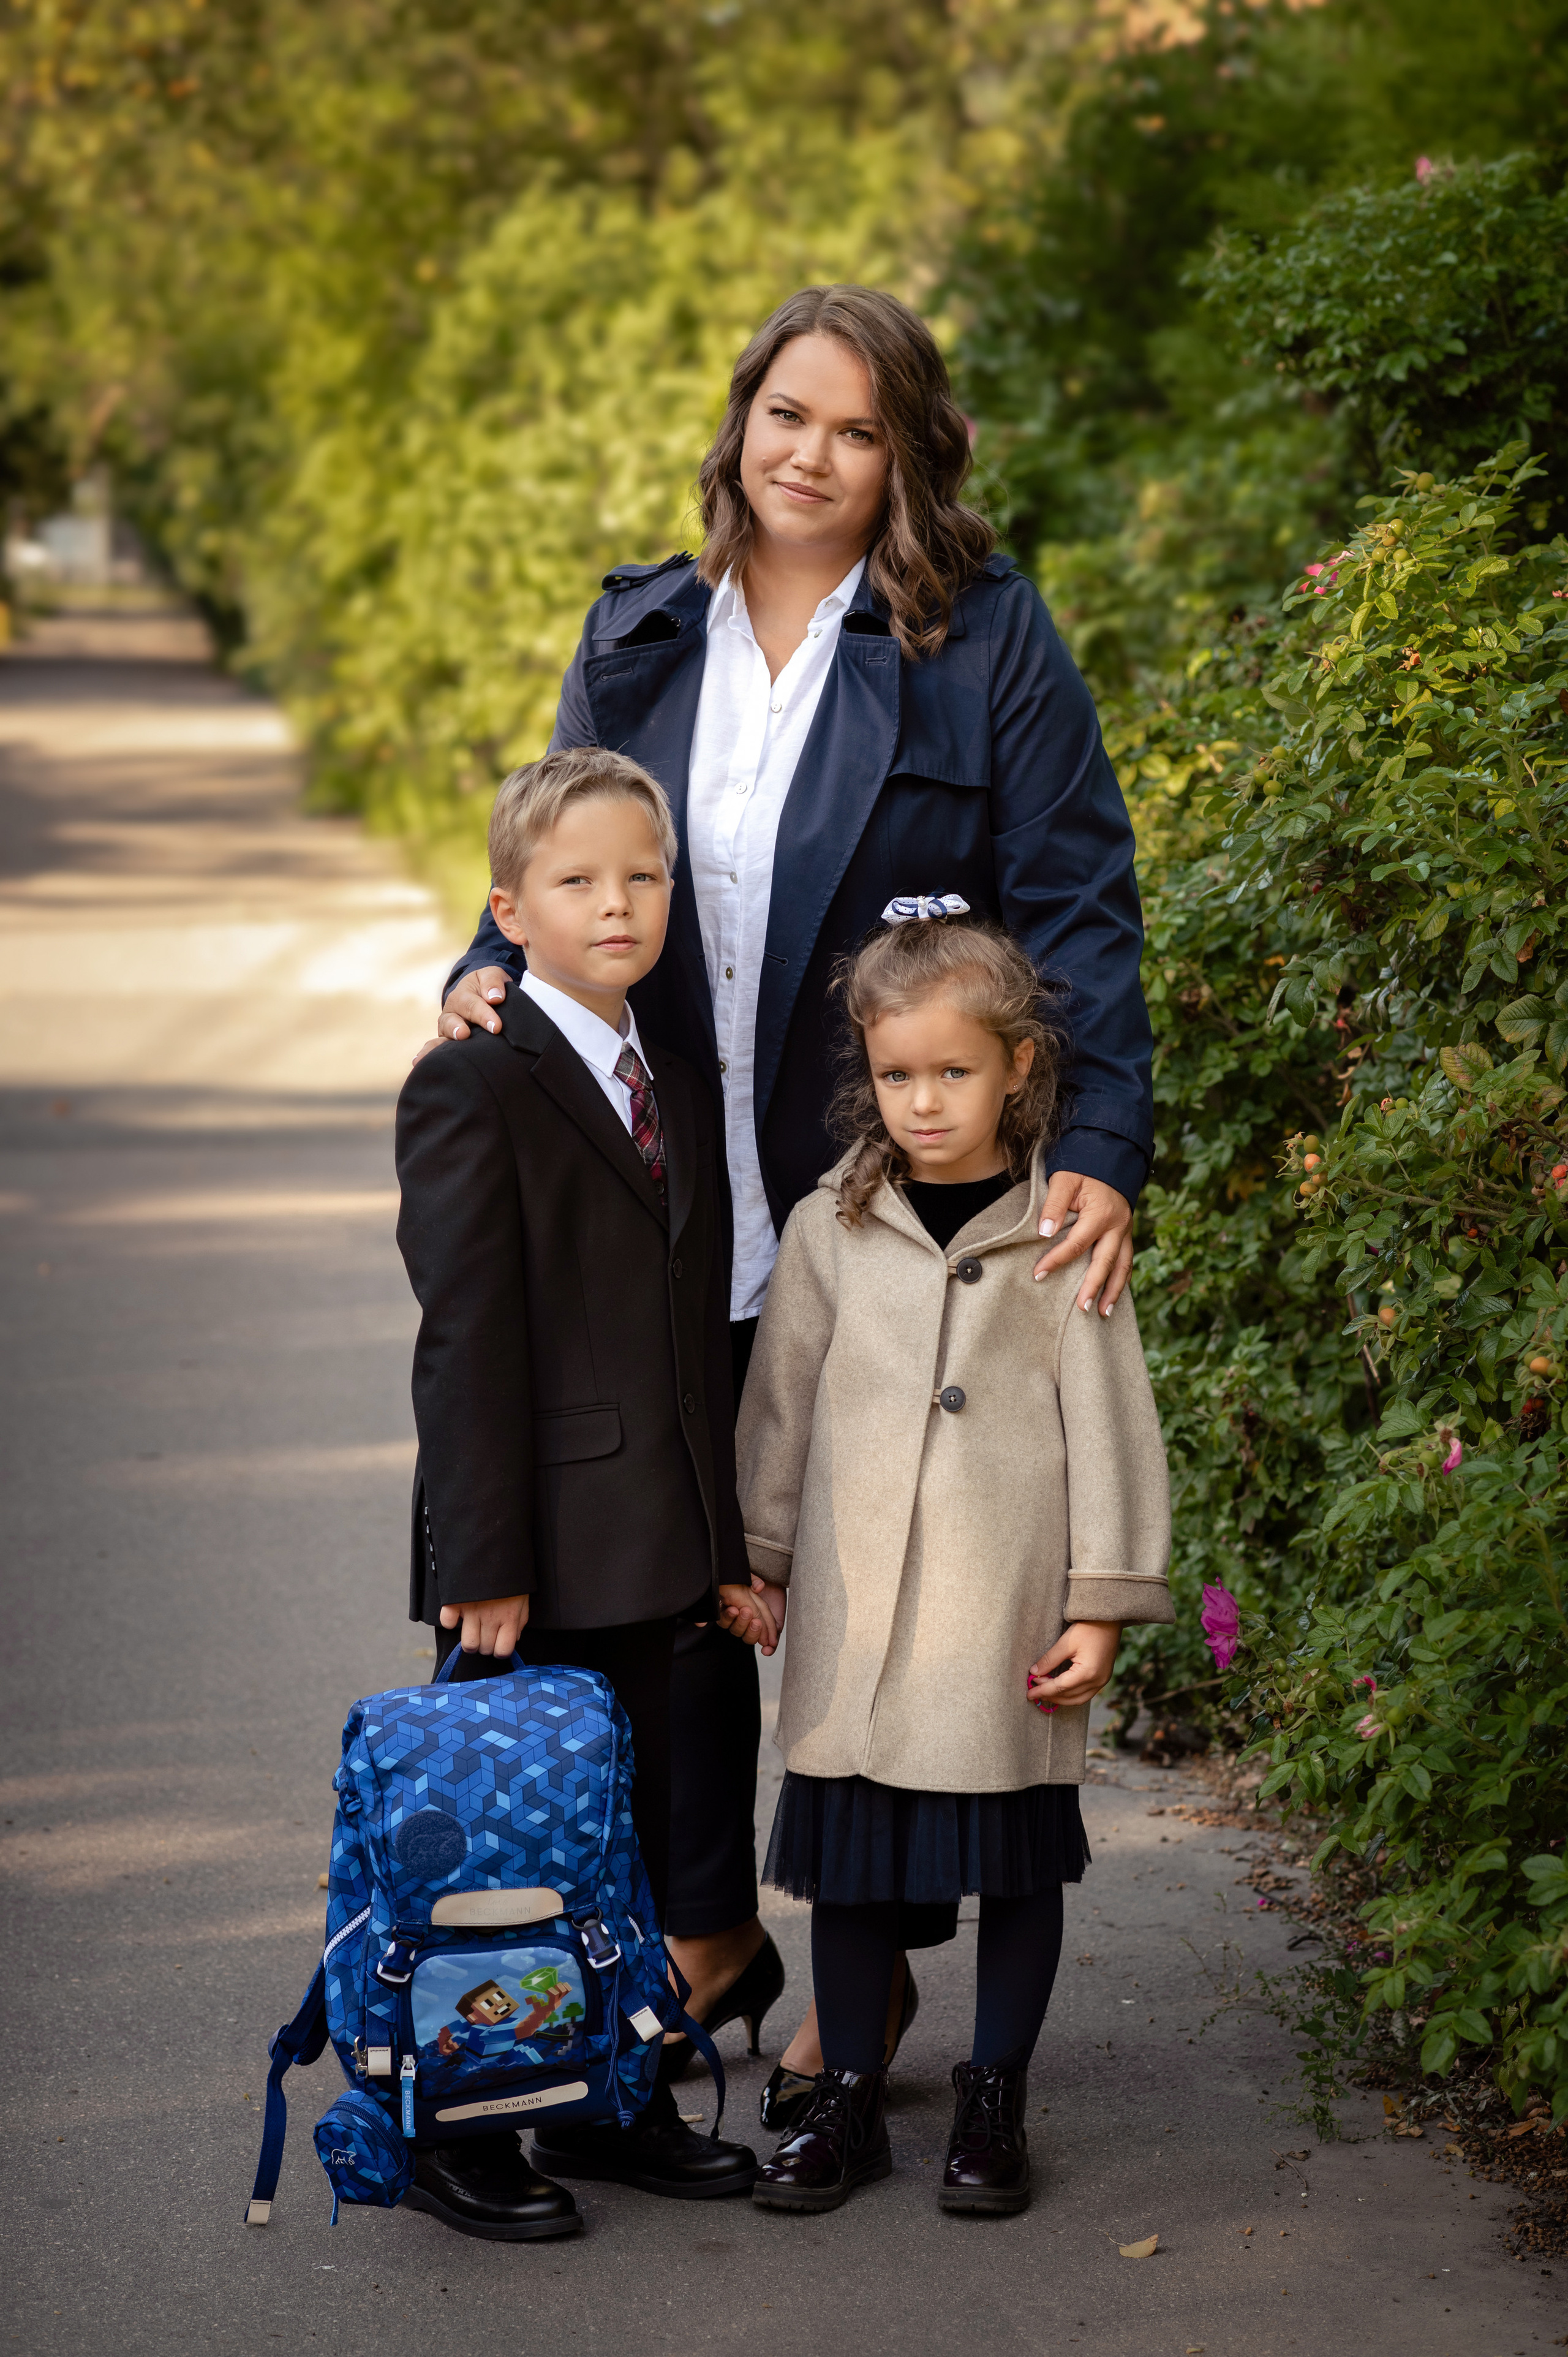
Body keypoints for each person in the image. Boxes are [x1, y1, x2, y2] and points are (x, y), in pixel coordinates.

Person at [426, 282, 1155, 2102]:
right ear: (739, 421)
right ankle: (710, 1933)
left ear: (903, 453)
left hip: (874, 1198)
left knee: (879, 1563)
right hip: (656, 1189)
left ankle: (878, 1955)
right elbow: (568, 831)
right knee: (680, 1582)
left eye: (855, 427)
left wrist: (1108, 1149)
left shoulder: (979, 640)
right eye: (786, 415)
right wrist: (484, 961)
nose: (812, 455)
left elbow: (1078, 898)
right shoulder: (646, 633)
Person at [736, 912, 1174, 2215]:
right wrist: (759, 1556)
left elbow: (1109, 1418)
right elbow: (781, 1403)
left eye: (953, 1073)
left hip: (1003, 1610)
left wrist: (1098, 1603)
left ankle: (992, 2096)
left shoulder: (1060, 1225)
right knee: (852, 1865)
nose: (922, 1102)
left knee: (1016, 1862)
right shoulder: (831, 1223)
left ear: (1018, 1068)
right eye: (894, 1075)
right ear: (865, 1073)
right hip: (857, 1609)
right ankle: (851, 2101)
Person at [394, 745, 773, 2238]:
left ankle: (612, 2103)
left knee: (648, 1842)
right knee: (510, 1855)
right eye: (575, 881)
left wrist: (728, 1549)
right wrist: (477, 1554)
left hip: (669, 1554)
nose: (615, 903)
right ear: (508, 911)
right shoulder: (473, 1087)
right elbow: (464, 1339)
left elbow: (696, 1352)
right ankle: (458, 2129)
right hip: (534, 1559)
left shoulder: (670, 1078)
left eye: (642, 875)